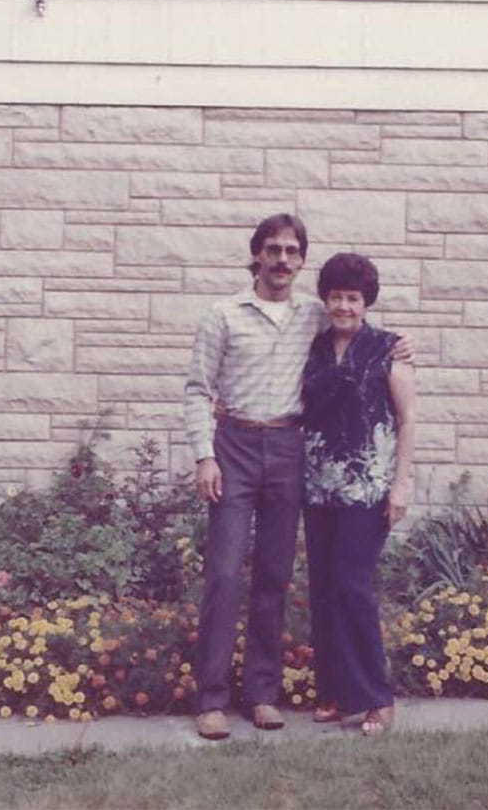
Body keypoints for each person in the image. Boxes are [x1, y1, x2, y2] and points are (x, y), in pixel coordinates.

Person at [183, 215, 410, 741]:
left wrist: (402, 344)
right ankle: (211, 699)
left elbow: (363, 334)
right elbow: (198, 389)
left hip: (289, 449)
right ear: (257, 255)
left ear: (301, 261)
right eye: (273, 250)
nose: (282, 260)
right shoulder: (222, 315)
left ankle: (262, 694)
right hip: (233, 446)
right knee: (222, 572)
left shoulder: (315, 314)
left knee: (274, 575)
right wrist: (203, 456)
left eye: (291, 251)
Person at [300, 252, 415, 737]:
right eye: (337, 296)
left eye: (353, 297)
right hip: (318, 487)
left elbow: (408, 419)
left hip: (368, 490)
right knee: (324, 591)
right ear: (325, 299)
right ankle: (337, 694)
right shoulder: (316, 347)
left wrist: (402, 483)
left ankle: (376, 699)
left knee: (352, 586)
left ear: (366, 302)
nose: (344, 305)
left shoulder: (389, 349)